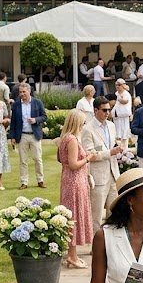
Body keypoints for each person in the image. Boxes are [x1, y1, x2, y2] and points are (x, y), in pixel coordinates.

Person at [57, 110, 97, 268]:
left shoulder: (64, 139)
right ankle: (72, 256)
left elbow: (62, 160)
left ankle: (72, 255)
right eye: (83, 122)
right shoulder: (72, 139)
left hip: (69, 179)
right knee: (73, 216)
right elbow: (73, 164)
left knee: (71, 216)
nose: (84, 125)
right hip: (74, 181)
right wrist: (88, 158)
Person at [82, 97, 123, 231]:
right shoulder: (87, 129)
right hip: (98, 177)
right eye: (104, 110)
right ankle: (96, 246)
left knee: (114, 213)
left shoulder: (111, 126)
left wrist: (118, 149)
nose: (107, 113)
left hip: (113, 175)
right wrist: (110, 152)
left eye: (109, 110)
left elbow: (111, 146)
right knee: (96, 215)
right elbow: (89, 154)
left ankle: (112, 244)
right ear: (95, 110)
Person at [8, 82, 47, 189]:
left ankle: (40, 180)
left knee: (37, 159)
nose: (22, 94)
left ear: (29, 91)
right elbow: (13, 122)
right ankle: (24, 182)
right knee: (23, 160)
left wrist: (35, 120)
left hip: (34, 135)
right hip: (22, 135)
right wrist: (12, 136)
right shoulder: (16, 105)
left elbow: (44, 116)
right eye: (20, 92)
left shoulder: (37, 103)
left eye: (24, 92)